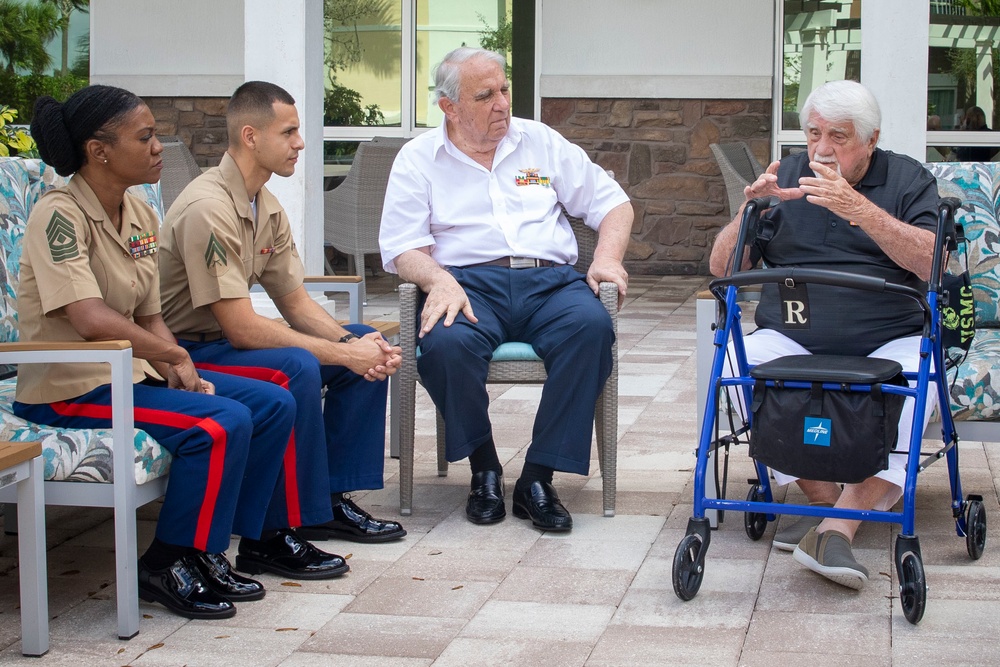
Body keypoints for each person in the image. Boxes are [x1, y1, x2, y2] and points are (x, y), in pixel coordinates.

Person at [19, 85, 349, 622]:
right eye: (145, 137)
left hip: (128, 375)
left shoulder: (139, 214)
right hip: (69, 389)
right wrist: (174, 356)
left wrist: (175, 363)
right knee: (219, 421)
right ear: (99, 151)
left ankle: (222, 548)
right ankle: (168, 560)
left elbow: (149, 312)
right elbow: (91, 318)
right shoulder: (59, 217)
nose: (158, 148)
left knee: (271, 404)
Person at [379, 47, 633, 532]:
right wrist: (438, 279)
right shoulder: (418, 159)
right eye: (484, 95)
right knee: (444, 344)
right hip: (467, 283)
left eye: (503, 89)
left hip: (549, 282)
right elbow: (400, 247)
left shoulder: (539, 143)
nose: (501, 103)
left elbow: (613, 203)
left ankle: (538, 477)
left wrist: (606, 258)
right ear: (448, 107)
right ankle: (485, 469)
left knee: (592, 327)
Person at [709, 80, 939, 589]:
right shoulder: (786, 174)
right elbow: (723, 267)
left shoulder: (907, 179)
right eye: (813, 133)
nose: (822, 149)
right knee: (733, 370)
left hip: (886, 336)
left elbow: (931, 263)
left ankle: (836, 527)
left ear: (871, 139)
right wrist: (748, 213)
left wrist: (853, 206)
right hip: (792, 333)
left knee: (919, 383)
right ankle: (823, 502)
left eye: (839, 136)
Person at [158, 81, 406, 547]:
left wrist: (355, 347)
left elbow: (295, 303)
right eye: (289, 132)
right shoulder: (208, 208)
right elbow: (241, 328)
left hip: (224, 343)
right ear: (251, 137)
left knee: (358, 339)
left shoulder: (264, 204)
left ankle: (329, 501)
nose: (301, 143)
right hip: (185, 352)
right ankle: (282, 524)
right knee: (297, 367)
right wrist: (339, 351)